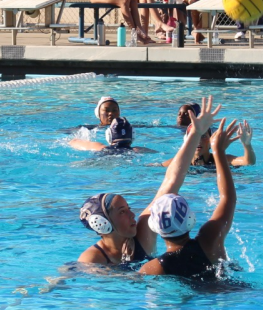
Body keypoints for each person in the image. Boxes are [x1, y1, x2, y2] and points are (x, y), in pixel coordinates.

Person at [77, 95, 220, 267]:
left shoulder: (142, 234)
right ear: (103, 223)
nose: (133, 215)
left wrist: (195, 134)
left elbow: (172, 180)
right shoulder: (91, 261)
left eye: (128, 209)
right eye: (122, 211)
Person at [140, 117, 241, 281]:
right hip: (231, 293)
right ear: (190, 218)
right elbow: (228, 198)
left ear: (154, 226)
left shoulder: (152, 268)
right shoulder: (209, 238)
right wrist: (219, 152)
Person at [176, 101, 255, 167]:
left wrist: (247, 145)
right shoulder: (181, 162)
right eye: (194, 137)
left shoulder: (220, 159)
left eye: (203, 136)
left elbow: (248, 162)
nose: (199, 141)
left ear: (211, 139)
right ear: (187, 141)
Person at [69, 116, 145, 153]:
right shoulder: (137, 150)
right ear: (133, 135)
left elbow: (73, 142)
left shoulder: (100, 147)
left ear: (109, 135)